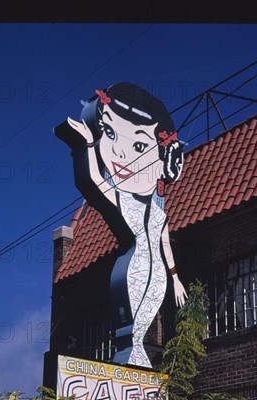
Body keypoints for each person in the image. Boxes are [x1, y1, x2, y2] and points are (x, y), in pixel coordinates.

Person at [59, 82, 187, 368]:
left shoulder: (157, 211)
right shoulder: (122, 202)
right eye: (110, 133)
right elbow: (92, 178)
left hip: (159, 279)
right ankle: (131, 357)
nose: (119, 153)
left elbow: (164, 241)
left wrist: (176, 277)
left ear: (166, 160)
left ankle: (137, 358)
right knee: (129, 330)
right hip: (131, 270)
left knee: (144, 321)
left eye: (140, 145)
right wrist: (85, 146)